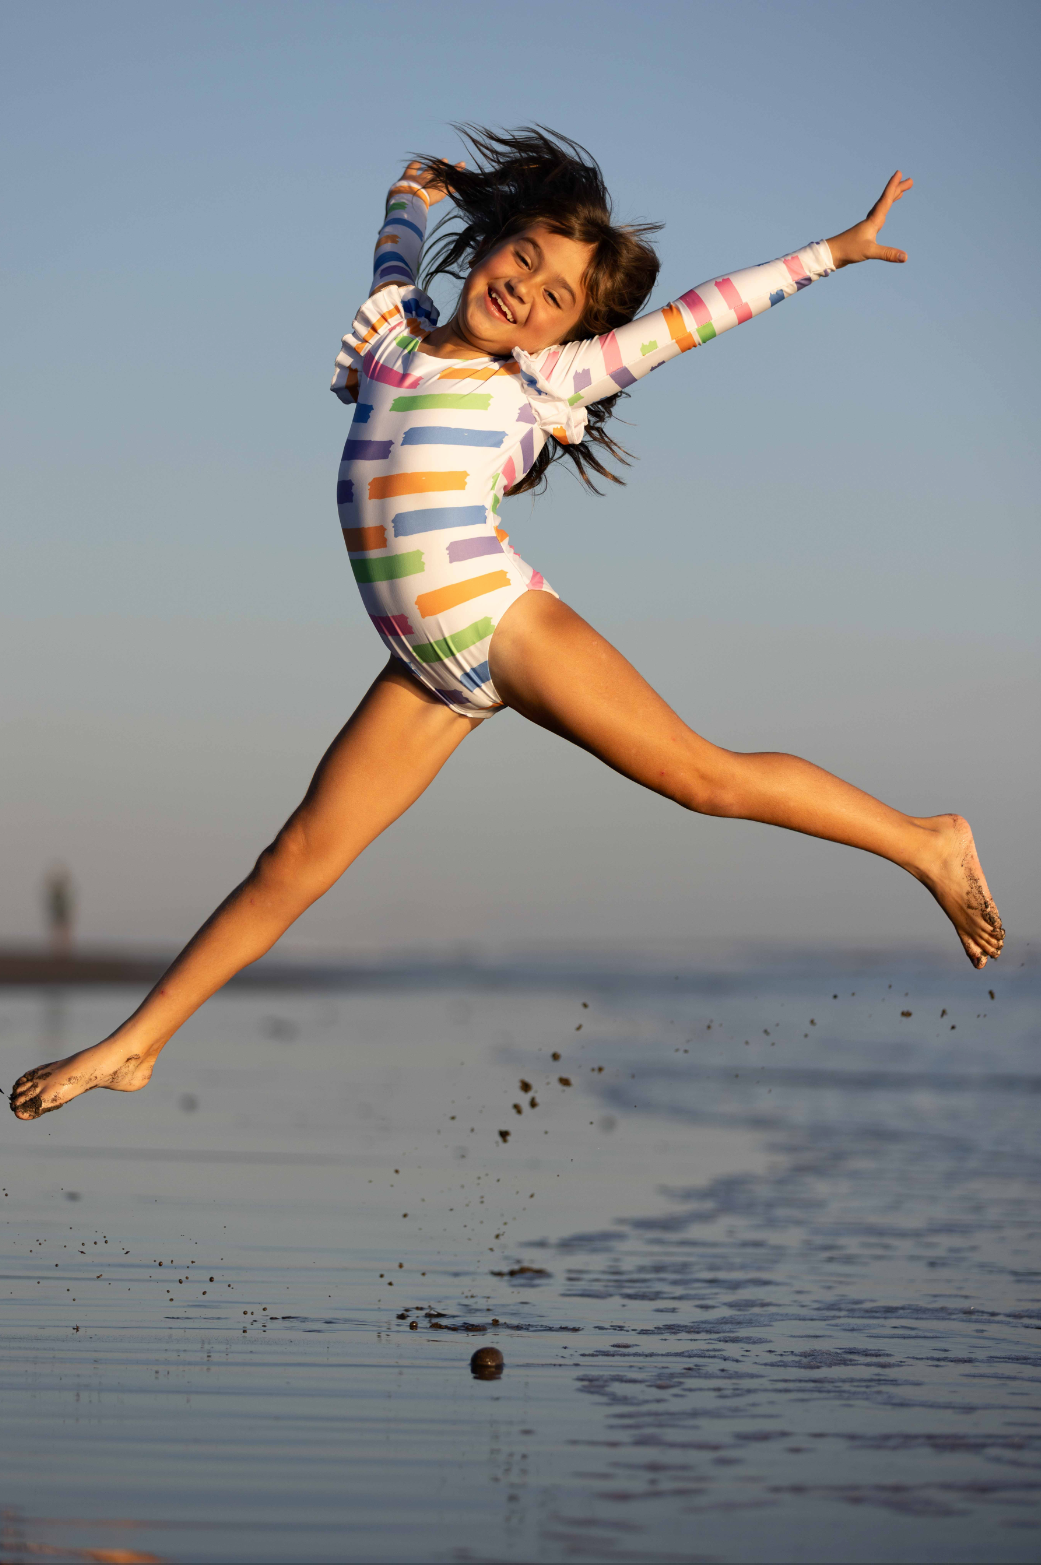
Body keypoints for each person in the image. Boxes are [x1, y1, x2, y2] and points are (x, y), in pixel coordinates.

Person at [10, 127, 1002, 1122]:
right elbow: (396, 242)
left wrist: (833, 250)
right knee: (294, 859)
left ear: (562, 331)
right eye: (521, 257)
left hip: (503, 624)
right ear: (490, 243)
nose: (526, 290)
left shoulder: (543, 381)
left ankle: (927, 841)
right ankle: (135, 1047)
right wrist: (411, 186)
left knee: (702, 775)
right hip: (423, 669)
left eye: (556, 295)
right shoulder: (395, 330)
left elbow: (700, 317)